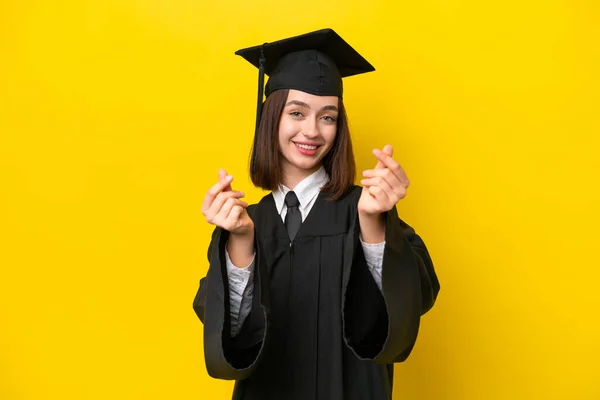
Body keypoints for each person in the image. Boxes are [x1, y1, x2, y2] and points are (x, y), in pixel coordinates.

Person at [193, 28, 440, 400]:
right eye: (297, 112)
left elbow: (409, 306)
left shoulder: (366, 210)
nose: (312, 130)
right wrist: (240, 246)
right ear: (270, 117)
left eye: (328, 117)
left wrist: (373, 225)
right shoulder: (248, 222)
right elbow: (226, 332)